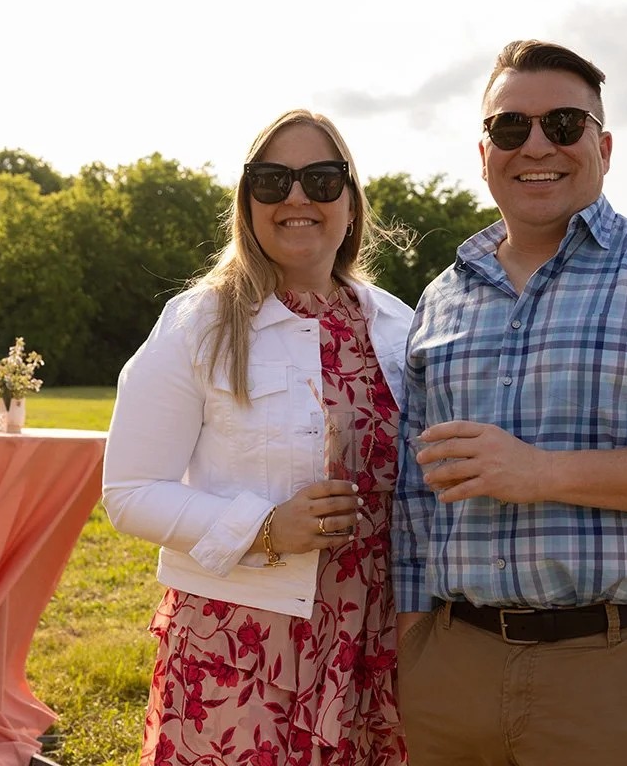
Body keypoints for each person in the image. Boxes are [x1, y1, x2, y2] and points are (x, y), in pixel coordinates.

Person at [391, 40, 627, 766]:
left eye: (564, 124)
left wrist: (542, 473)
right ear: (484, 154)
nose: (537, 145)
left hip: (613, 667)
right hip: (450, 672)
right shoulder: (443, 297)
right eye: (511, 127)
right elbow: (415, 492)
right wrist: (416, 644)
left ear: (603, 147)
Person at [103, 109, 412, 766]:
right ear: (247, 203)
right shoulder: (199, 323)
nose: (296, 197)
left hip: (376, 645)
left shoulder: (399, 326)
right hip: (244, 648)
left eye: (321, 179)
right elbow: (129, 492)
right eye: (272, 180)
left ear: (351, 203)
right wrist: (266, 528)